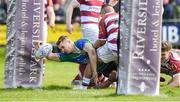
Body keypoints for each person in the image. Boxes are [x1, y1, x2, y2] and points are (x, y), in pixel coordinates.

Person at [66, 0, 105, 85]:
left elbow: (101, 14)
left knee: (93, 53)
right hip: (89, 28)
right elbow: (71, 5)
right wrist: (68, 24)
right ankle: (88, 78)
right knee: (93, 53)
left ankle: (85, 78)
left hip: (95, 27)